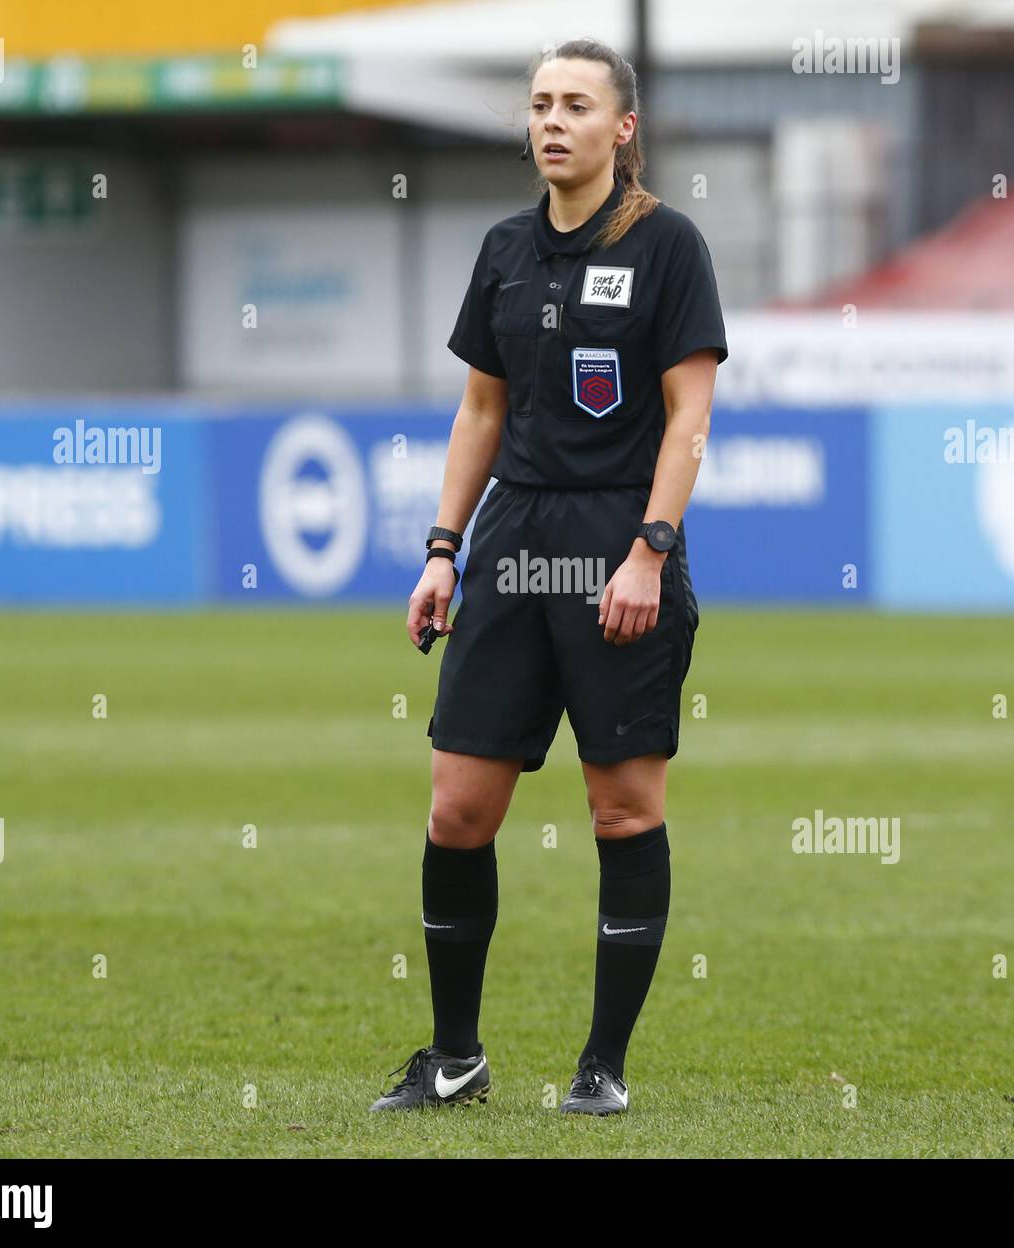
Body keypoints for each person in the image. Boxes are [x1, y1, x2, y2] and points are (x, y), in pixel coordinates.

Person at [370, 36, 728, 1117]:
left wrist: (649, 551)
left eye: (576, 104)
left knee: (621, 812)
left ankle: (601, 1068)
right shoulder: (503, 249)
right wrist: (443, 548)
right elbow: (482, 409)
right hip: (511, 545)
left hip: (615, 543)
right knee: (456, 809)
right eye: (538, 104)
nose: (551, 121)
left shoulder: (669, 246)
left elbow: (689, 418)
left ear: (623, 127)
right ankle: (454, 1058)